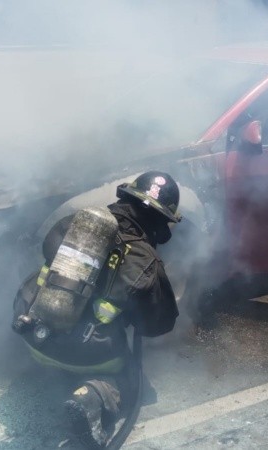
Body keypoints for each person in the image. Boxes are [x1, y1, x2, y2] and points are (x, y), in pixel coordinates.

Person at [11, 171, 181, 449]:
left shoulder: (76, 224)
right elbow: (157, 326)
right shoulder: (145, 260)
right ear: (162, 220)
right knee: (136, 384)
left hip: (31, 333)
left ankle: (54, 368)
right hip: (84, 354)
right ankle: (93, 395)